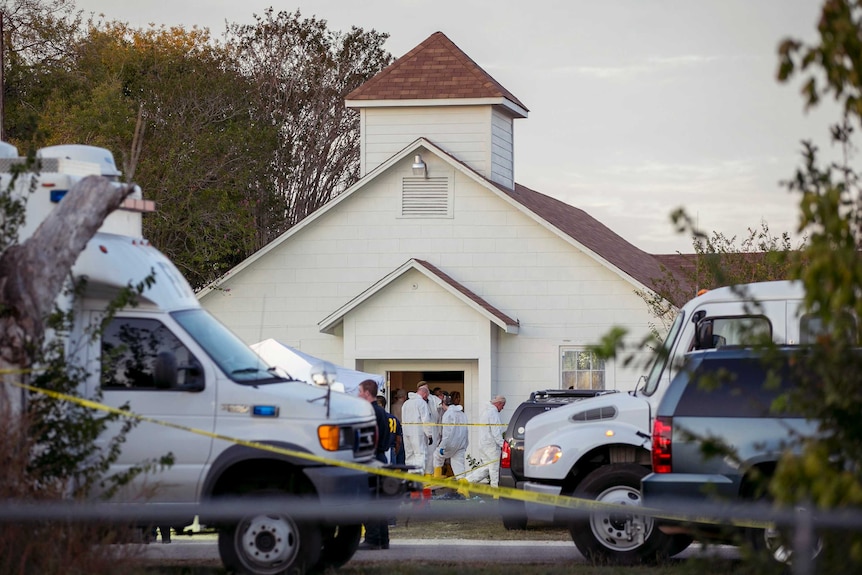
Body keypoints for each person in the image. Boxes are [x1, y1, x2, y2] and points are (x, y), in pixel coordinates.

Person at [357, 379, 391, 550]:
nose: (358, 395)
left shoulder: (369, 412)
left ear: (367, 393)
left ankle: (372, 538)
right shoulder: (381, 411)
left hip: (371, 459)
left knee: (369, 500)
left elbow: (368, 438)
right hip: (381, 458)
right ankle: (383, 539)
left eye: (359, 391)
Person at [467, 395, 506, 487]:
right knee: (494, 469)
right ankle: (495, 491)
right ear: (499, 403)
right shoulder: (494, 413)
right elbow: (496, 433)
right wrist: (504, 444)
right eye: (503, 405)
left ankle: (466, 481)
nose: (503, 408)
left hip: (483, 444)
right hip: (491, 446)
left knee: (486, 468)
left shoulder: (486, 411)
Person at [433, 393, 468, 479]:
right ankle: (463, 489)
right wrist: (465, 444)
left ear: (443, 404)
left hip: (450, 444)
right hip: (460, 445)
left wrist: (442, 446)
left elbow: (447, 434)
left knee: (437, 456)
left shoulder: (447, 414)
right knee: (459, 467)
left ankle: (437, 478)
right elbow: (466, 431)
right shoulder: (462, 414)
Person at [400, 382, 433, 473]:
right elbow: (426, 420)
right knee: (420, 454)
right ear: (425, 393)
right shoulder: (422, 403)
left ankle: (410, 476)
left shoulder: (406, 403)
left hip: (406, 432)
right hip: (418, 432)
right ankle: (418, 477)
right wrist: (429, 435)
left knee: (409, 455)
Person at [376, 395, 404, 465]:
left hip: (379, 450)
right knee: (391, 474)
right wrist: (396, 451)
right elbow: (398, 439)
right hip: (391, 449)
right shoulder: (393, 419)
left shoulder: (375, 417)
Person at [424, 387, 444, 474]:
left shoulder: (438, 406)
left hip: (436, 431)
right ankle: (429, 473)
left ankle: (434, 472)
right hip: (431, 431)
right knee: (430, 452)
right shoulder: (430, 404)